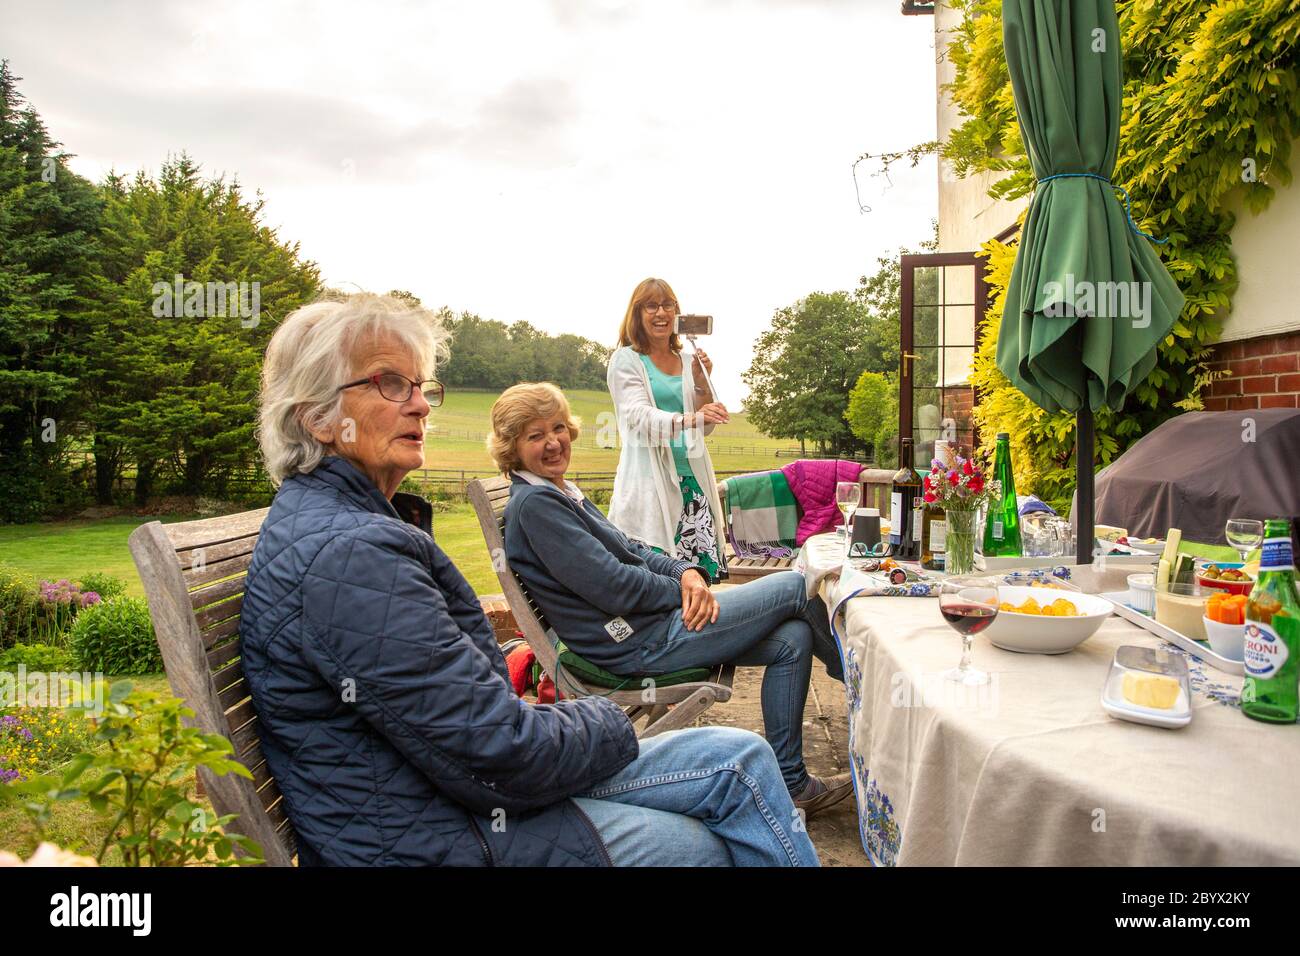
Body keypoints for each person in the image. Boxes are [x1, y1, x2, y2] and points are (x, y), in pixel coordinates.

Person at [240, 292, 818, 866]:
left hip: (464, 793)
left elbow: (473, 723)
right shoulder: (350, 555)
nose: (420, 406)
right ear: (315, 417)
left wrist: (682, 571)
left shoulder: (349, 529)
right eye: (391, 384)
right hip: (450, 833)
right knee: (712, 831)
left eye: (422, 388)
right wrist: (606, 718)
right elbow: (496, 749)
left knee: (743, 753)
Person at [494, 382, 853, 818]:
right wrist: (682, 590)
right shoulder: (537, 506)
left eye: (557, 428)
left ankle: (792, 783)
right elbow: (615, 586)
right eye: (535, 436)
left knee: (794, 637)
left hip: (655, 625)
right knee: (798, 586)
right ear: (511, 448)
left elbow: (635, 549)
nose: (553, 442)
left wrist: (686, 572)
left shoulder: (559, 492)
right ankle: (859, 685)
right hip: (634, 644)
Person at [607, 277, 730, 582]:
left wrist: (702, 384)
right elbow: (638, 416)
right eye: (651, 305)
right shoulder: (627, 360)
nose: (660, 312)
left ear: (677, 312)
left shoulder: (687, 360)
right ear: (637, 313)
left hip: (693, 484)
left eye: (667, 305)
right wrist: (691, 418)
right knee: (657, 583)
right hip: (649, 488)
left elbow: (705, 429)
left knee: (699, 585)